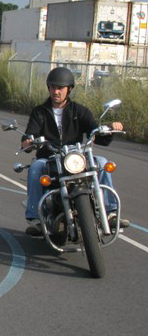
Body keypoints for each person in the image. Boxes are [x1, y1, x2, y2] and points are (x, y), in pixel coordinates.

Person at [21, 66, 124, 236]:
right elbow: (30, 134)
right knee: (35, 168)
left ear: (69, 89)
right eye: (53, 87)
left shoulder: (79, 111)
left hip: (75, 157)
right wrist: (28, 141)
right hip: (50, 158)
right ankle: (35, 218)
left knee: (103, 162)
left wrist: (110, 129)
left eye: (60, 88)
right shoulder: (40, 112)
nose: (56, 91)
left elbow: (95, 132)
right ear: (48, 88)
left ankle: (110, 212)